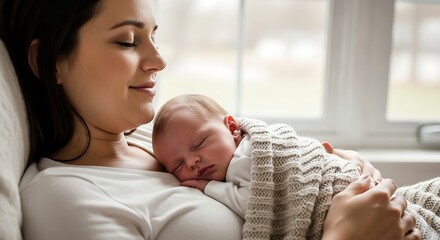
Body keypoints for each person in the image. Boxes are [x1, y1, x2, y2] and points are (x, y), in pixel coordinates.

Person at [0, 0, 422, 239]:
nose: (159, 60)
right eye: (127, 40)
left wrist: (329, 166)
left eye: (154, 37)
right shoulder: (65, 198)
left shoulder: (155, 140)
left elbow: (268, 157)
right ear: (48, 61)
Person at [152, 94, 439, 239]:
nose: (192, 162)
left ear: (232, 127)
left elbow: (251, 202)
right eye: (177, 165)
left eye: (200, 143)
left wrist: (208, 187)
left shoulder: (243, 159)